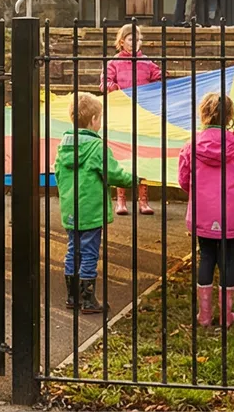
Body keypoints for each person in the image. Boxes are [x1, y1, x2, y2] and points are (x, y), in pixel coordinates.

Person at [177, 91, 234, 327]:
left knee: (205, 257)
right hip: (230, 213)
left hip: (203, 212)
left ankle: (204, 316)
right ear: (230, 116)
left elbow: (184, 180)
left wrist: (197, 193)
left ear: (202, 114)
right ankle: (226, 315)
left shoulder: (191, 147)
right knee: (227, 260)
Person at [56, 93, 134, 316]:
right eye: (100, 118)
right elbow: (114, 174)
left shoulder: (63, 147)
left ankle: (72, 296)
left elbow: (58, 173)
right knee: (89, 253)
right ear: (93, 121)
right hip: (90, 211)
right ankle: (88, 299)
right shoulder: (97, 148)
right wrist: (133, 180)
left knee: (73, 250)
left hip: (71, 209)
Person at [104, 23, 160, 216]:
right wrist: (117, 90)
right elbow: (105, 83)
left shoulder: (147, 62)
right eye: (131, 39)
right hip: (122, 114)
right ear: (122, 42)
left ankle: (143, 200)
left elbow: (158, 78)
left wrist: (159, 80)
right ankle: (121, 199)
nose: (136, 42)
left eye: (139, 39)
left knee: (142, 155)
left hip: (143, 113)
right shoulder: (114, 63)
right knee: (123, 155)